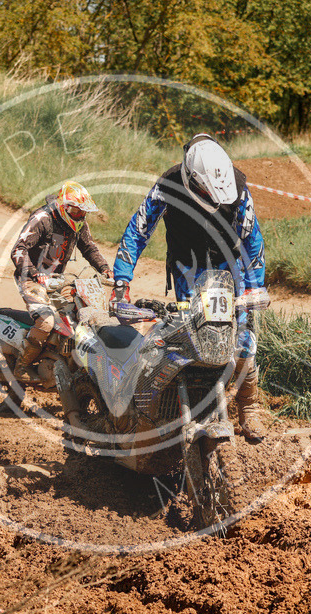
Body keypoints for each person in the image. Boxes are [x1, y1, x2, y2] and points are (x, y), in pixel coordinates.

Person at [112, 133, 267, 441]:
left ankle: (249, 404)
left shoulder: (237, 186)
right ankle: (181, 406)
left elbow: (252, 240)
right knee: (191, 337)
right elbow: (138, 231)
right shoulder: (167, 185)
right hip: (187, 269)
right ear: (193, 179)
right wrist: (122, 282)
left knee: (241, 332)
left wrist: (254, 288)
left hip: (227, 267)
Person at [10, 181, 113, 381]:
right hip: (30, 278)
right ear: (65, 207)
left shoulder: (79, 223)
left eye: (83, 212)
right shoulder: (42, 218)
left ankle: (67, 361)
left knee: (82, 314)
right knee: (47, 321)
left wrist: (104, 269)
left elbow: (89, 247)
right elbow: (18, 249)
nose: (81, 215)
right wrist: (32, 272)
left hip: (57, 280)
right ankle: (21, 366)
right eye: (77, 210)